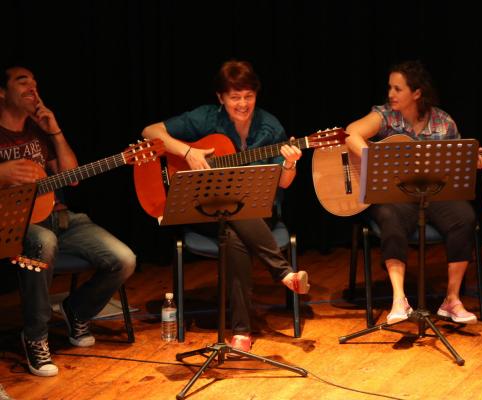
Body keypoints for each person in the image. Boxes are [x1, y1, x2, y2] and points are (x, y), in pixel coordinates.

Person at [141, 59, 309, 352]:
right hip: (204, 212)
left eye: (249, 96)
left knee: (233, 230)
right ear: (221, 98)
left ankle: (241, 333)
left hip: (258, 216)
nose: (243, 104)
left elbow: (282, 183)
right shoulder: (208, 118)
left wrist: (291, 163)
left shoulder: (270, 127)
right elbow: (149, 131)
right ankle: (283, 273)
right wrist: (188, 152)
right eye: (235, 97)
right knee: (231, 215)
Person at [0, 63, 136, 377]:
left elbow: (69, 176)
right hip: (17, 225)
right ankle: (35, 336)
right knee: (43, 242)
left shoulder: (38, 131)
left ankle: (77, 310)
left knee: (124, 259)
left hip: (61, 217)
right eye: (23, 81)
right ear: (2, 92)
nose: (33, 87)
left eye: (35, 82)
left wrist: (55, 131)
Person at [345, 60, 482, 326]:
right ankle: (399, 299)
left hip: (434, 196)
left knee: (465, 218)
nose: (391, 94)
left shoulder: (444, 123)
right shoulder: (385, 115)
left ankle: (452, 299)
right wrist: (373, 157)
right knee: (389, 215)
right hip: (396, 196)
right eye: (390, 88)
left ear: (417, 93)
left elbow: (457, 163)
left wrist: (473, 161)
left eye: (398, 89)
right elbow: (351, 133)